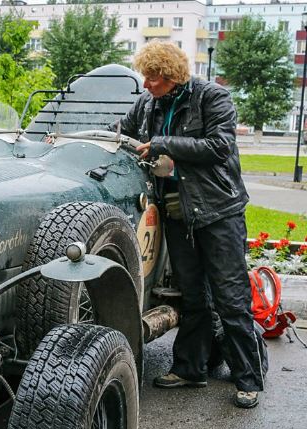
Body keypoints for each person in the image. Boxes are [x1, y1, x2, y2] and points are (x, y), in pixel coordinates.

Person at [115, 40, 266, 408]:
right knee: (193, 296)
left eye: (152, 78)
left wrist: (163, 144)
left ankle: (248, 379)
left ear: (170, 76)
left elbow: (219, 147)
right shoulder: (148, 103)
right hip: (178, 214)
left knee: (231, 298)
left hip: (218, 212)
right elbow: (122, 133)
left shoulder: (212, 97)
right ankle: (190, 369)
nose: (145, 84)